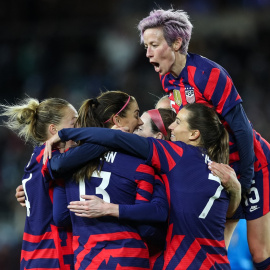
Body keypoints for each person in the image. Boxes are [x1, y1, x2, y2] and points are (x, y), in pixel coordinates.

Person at [138, 8, 270, 269]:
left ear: (176, 44)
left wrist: (243, 179)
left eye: (154, 45)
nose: (148, 53)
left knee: (259, 252)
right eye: (146, 46)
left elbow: (242, 129)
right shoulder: (168, 80)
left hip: (250, 164)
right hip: (218, 167)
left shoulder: (208, 75)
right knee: (214, 250)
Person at [45, 103, 241, 269]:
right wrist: (237, 192)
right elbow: (229, 219)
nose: (171, 126)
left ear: (194, 134)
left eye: (178, 122)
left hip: (183, 262)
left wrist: (65, 134)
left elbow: (115, 138)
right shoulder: (219, 171)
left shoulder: (178, 154)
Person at [46, 91, 168, 269]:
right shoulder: (141, 165)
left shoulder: (68, 165)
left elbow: (61, 217)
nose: (140, 121)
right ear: (117, 121)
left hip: (86, 260)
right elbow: (146, 228)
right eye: (136, 115)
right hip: (128, 259)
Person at [0, 97, 77, 270]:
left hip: (33, 255)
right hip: (52, 255)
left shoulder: (36, 157)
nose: (79, 129)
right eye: (74, 123)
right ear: (54, 129)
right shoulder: (53, 158)